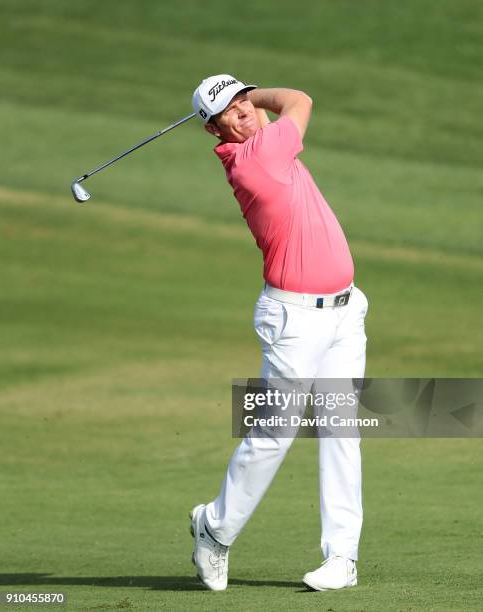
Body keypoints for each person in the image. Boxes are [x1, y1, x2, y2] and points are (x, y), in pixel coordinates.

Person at [189, 74, 369, 592]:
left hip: (343, 312)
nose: (245, 113)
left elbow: (281, 110)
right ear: (215, 131)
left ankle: (342, 558)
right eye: (231, 113)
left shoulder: (266, 144)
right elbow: (301, 99)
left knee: (341, 430)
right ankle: (215, 529)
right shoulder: (257, 158)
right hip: (295, 322)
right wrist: (260, 94)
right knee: (273, 433)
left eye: (245, 103)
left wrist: (242, 96)